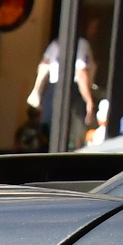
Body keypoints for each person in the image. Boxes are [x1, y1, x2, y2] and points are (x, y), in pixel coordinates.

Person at [27, 22, 96, 150]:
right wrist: (89, 101)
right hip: (73, 90)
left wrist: (37, 90)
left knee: (48, 134)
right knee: (73, 136)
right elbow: (81, 72)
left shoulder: (56, 44)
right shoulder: (81, 44)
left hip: (53, 91)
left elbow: (44, 65)